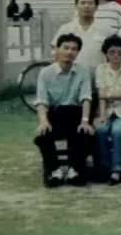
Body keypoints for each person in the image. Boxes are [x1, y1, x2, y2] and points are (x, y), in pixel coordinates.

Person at [33, 33, 95, 187]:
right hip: (55, 114)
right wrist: (43, 121)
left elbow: (86, 98)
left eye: (74, 49)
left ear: (78, 52)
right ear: (57, 49)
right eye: (66, 48)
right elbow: (41, 101)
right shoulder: (45, 73)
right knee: (43, 135)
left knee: (84, 132)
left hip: (76, 114)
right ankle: (55, 171)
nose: (69, 52)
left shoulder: (82, 72)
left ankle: (75, 170)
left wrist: (85, 121)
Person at [93, 35, 121, 184]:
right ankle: (105, 167)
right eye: (112, 52)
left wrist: (109, 94)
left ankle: (117, 170)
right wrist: (102, 115)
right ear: (106, 53)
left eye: (120, 52)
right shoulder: (101, 69)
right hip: (106, 110)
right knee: (101, 130)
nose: (116, 56)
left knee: (118, 131)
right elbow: (101, 95)